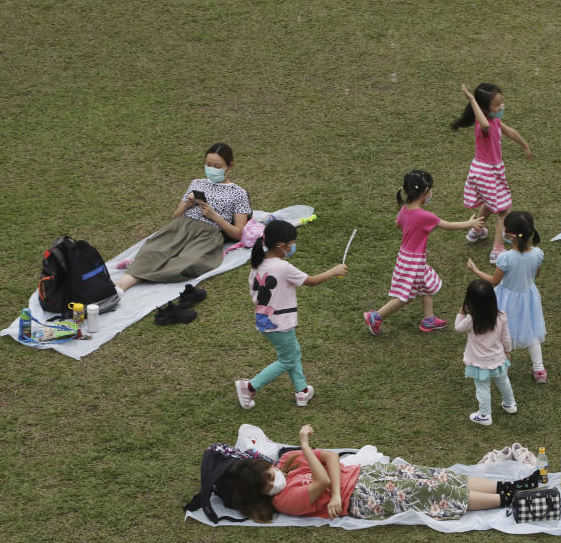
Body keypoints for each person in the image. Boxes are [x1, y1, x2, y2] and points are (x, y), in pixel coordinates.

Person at [227, 425, 542, 522]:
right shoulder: (284, 502)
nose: (274, 480)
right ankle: (508, 498)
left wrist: (332, 489)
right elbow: (322, 476)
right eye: (268, 484)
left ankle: (511, 484)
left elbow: (333, 459)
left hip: (363, 476)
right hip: (362, 499)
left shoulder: (289, 464)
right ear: (262, 494)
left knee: (435, 475)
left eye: (270, 473)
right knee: (430, 493)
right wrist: (307, 445)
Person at [234, 220, 346, 409]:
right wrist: (333, 271)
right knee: (287, 359)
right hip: (280, 323)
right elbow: (311, 281)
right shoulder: (283, 267)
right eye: (291, 243)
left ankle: (302, 391)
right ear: (281, 245)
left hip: (267, 321)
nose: (293, 247)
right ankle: (250, 386)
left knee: (293, 353)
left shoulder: (258, 265)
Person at [114, 143, 251, 295]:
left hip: (209, 234)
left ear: (229, 166)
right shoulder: (196, 183)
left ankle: (139, 273)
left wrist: (214, 216)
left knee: (190, 263)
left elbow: (239, 233)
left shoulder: (239, 193)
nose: (211, 169)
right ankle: (120, 286)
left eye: (217, 166)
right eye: (208, 165)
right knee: (153, 250)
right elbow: (176, 217)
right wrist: (187, 204)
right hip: (182, 226)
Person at [363, 170, 484, 335]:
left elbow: (399, 224)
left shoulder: (405, 210)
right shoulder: (424, 216)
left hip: (407, 258)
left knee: (428, 285)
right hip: (413, 261)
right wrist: (470, 223)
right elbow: (448, 225)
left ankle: (429, 320)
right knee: (405, 297)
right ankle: (375, 316)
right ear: (425, 192)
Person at [453, 83, 532, 264]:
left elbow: (509, 131)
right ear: (483, 109)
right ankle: (497, 250)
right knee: (505, 210)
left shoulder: (495, 121)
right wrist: (471, 99)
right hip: (486, 172)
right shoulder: (483, 127)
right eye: (496, 104)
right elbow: (484, 125)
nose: (501, 106)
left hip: (488, 172)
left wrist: (524, 144)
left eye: (501, 102)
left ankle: (477, 230)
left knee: (491, 203)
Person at [467, 211, 548, 383]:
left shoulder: (506, 258)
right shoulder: (538, 253)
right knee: (531, 331)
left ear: (511, 235)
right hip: (529, 298)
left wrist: (475, 270)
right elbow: (536, 275)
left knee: (503, 333)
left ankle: (503, 369)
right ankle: (539, 369)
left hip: (506, 300)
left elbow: (494, 282)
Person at [454, 279, 516, 425]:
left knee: (482, 388)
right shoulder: (501, 317)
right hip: (498, 360)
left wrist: (461, 311)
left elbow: (457, 327)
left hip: (479, 363)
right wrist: (508, 352)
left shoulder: (471, 320)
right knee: (503, 382)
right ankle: (510, 404)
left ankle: (485, 415)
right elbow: (506, 338)